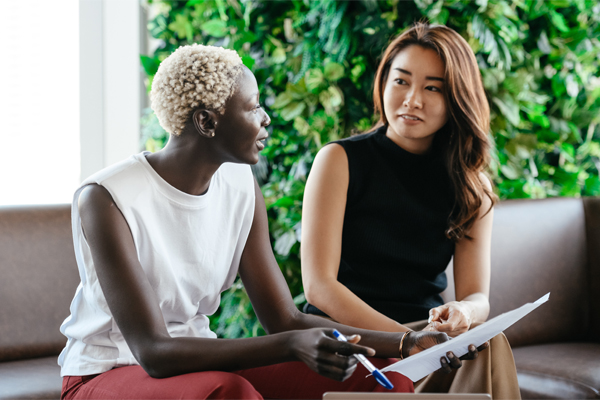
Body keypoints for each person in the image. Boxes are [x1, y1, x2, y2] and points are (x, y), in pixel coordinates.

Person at [57, 44, 470, 400]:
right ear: (207, 122)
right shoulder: (107, 198)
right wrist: (290, 346)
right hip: (104, 373)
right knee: (229, 392)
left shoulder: (239, 183)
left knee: (379, 378)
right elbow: (155, 351)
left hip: (191, 365)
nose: (266, 118)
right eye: (253, 107)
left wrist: (405, 342)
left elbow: (285, 319)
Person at [301, 23, 521, 399]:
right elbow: (320, 287)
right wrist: (407, 342)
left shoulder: (471, 188)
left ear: (457, 99)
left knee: (488, 343)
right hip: (349, 337)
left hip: (424, 339)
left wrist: (464, 315)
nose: (411, 99)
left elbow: (476, 297)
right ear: (384, 83)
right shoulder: (340, 160)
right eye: (401, 81)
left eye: (432, 88)